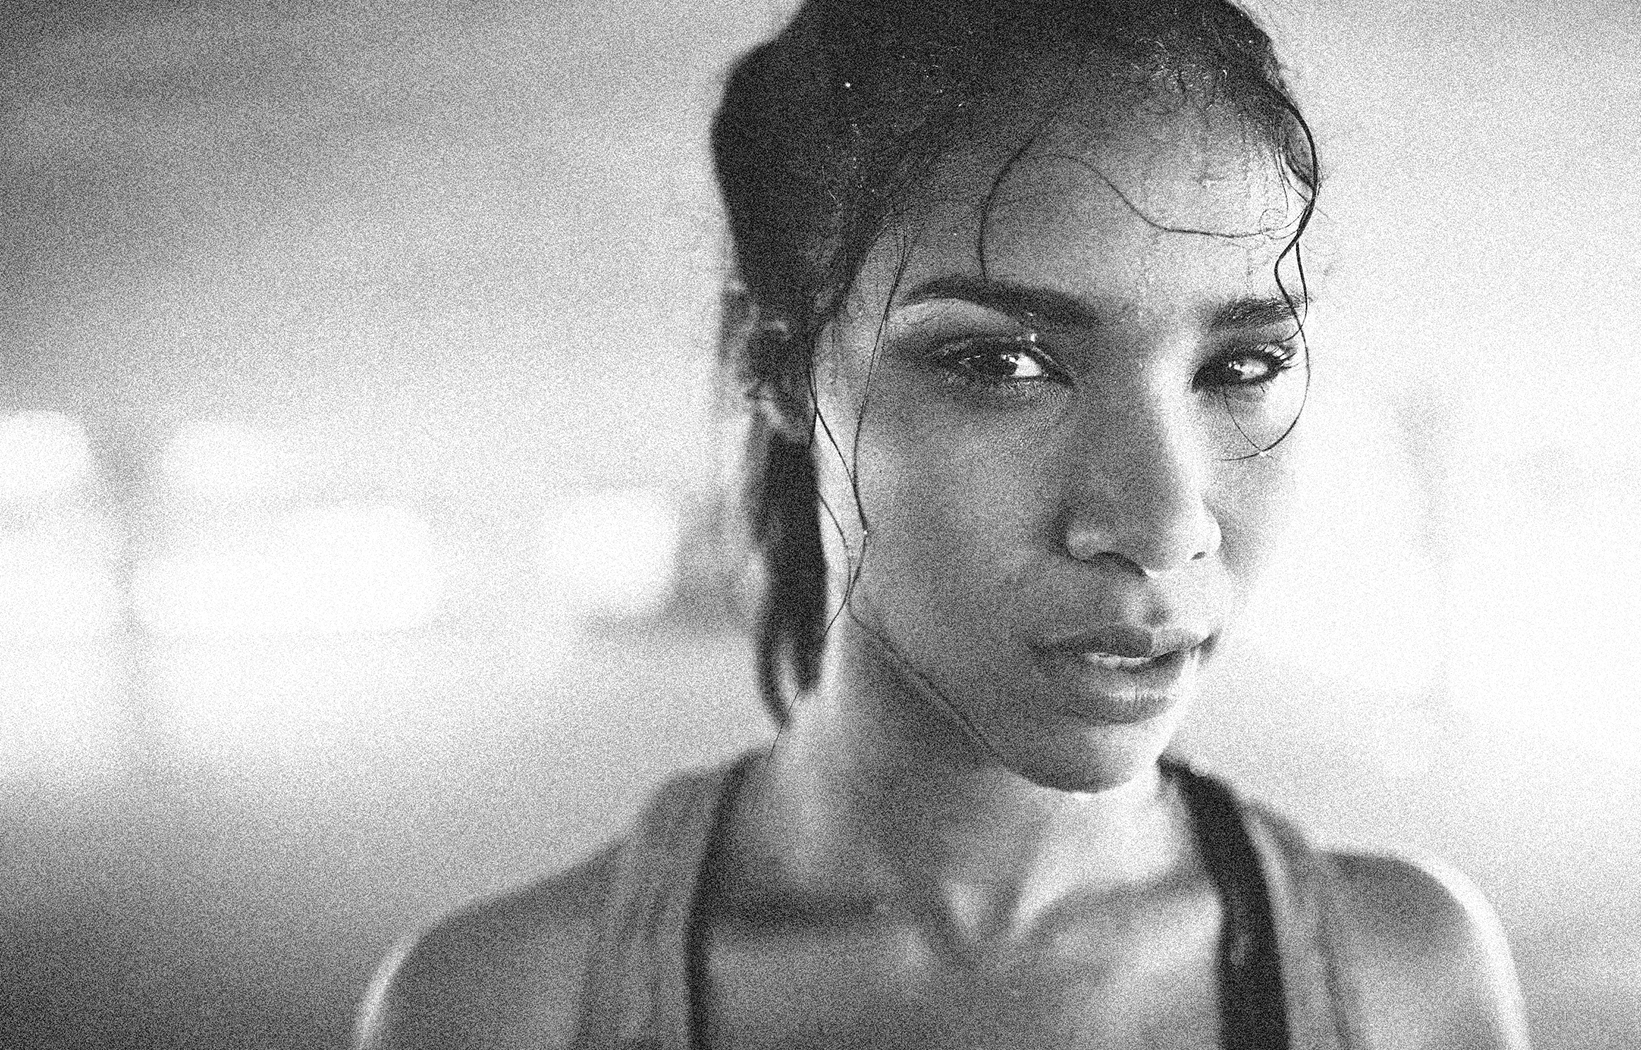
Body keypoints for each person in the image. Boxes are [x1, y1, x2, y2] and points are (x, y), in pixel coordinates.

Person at [357, 1, 1531, 1046]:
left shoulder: (1409, 983)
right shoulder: (502, 1008)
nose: (1166, 526)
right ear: (780, 367)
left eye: (1243, 362)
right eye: (1001, 360)